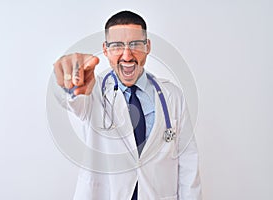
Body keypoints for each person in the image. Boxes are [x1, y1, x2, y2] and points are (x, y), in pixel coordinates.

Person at [53, 10, 202, 200]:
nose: (127, 55)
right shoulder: (92, 91)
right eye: (117, 46)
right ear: (105, 50)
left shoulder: (172, 95)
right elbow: (70, 99)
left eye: (135, 44)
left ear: (148, 47)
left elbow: (188, 163)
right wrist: (68, 83)